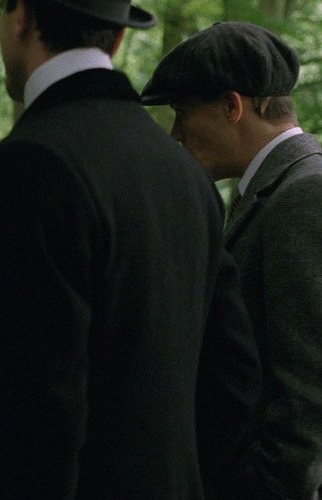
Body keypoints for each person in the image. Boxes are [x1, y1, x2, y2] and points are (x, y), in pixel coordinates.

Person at [0, 1, 261, 498]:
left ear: (20, 18)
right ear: (118, 37)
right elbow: (233, 378)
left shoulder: (30, 164)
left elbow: (14, 421)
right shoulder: (183, 174)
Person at [142, 21, 322, 499]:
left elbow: (310, 390)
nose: (176, 134)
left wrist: (262, 486)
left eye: (182, 114)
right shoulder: (272, 190)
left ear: (231, 106)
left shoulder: (305, 193)